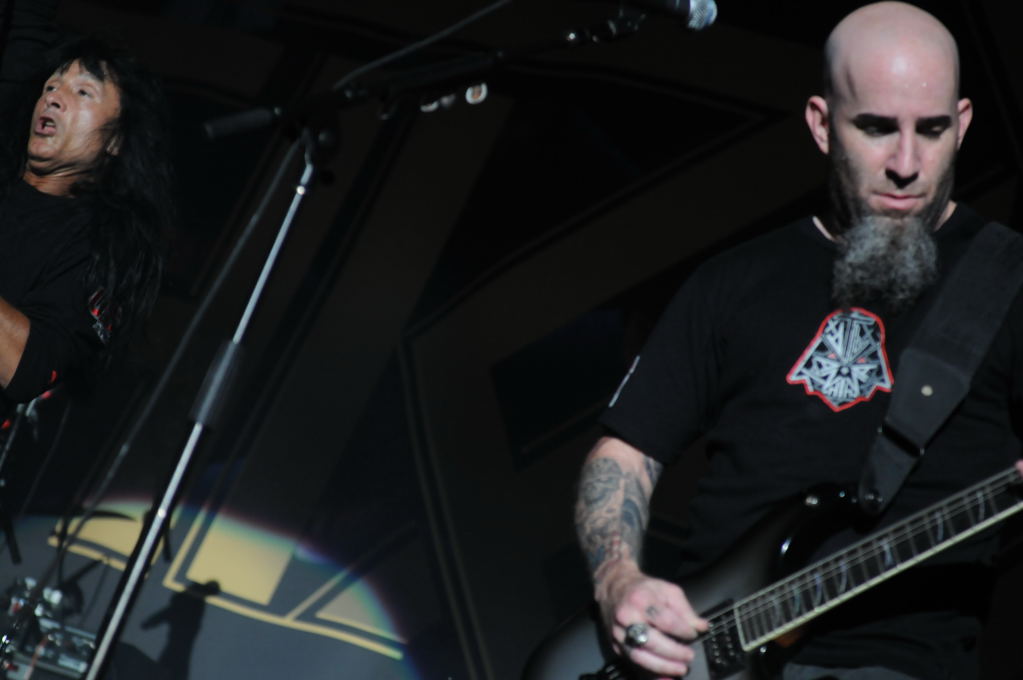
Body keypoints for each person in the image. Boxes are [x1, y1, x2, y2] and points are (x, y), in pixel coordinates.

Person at [573, 3, 1014, 679]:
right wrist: (618, 582)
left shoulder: (1008, 282)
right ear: (821, 125)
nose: (906, 164)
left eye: (931, 131)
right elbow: (625, 452)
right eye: (875, 128)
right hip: (704, 658)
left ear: (962, 124)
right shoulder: (733, 281)